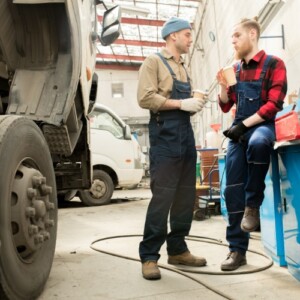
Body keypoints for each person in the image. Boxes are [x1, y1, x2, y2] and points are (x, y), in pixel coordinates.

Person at [137, 17, 207, 280]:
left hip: (185, 136)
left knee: (185, 196)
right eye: (187, 35)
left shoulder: (182, 66)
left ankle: (177, 249)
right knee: (163, 196)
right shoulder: (154, 62)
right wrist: (181, 104)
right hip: (165, 135)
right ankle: (149, 256)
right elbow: (144, 98)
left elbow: (184, 100)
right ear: (173, 36)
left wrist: (196, 100)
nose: (190, 39)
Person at [216, 17, 287, 271]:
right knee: (231, 189)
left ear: (252, 34)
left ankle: (253, 204)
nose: (233, 40)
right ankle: (237, 250)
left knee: (258, 143)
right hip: (239, 131)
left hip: (262, 126)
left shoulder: (274, 64)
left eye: (237, 35)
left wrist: (244, 126)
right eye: (232, 37)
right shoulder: (235, 70)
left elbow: (273, 105)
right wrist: (224, 88)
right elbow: (226, 104)